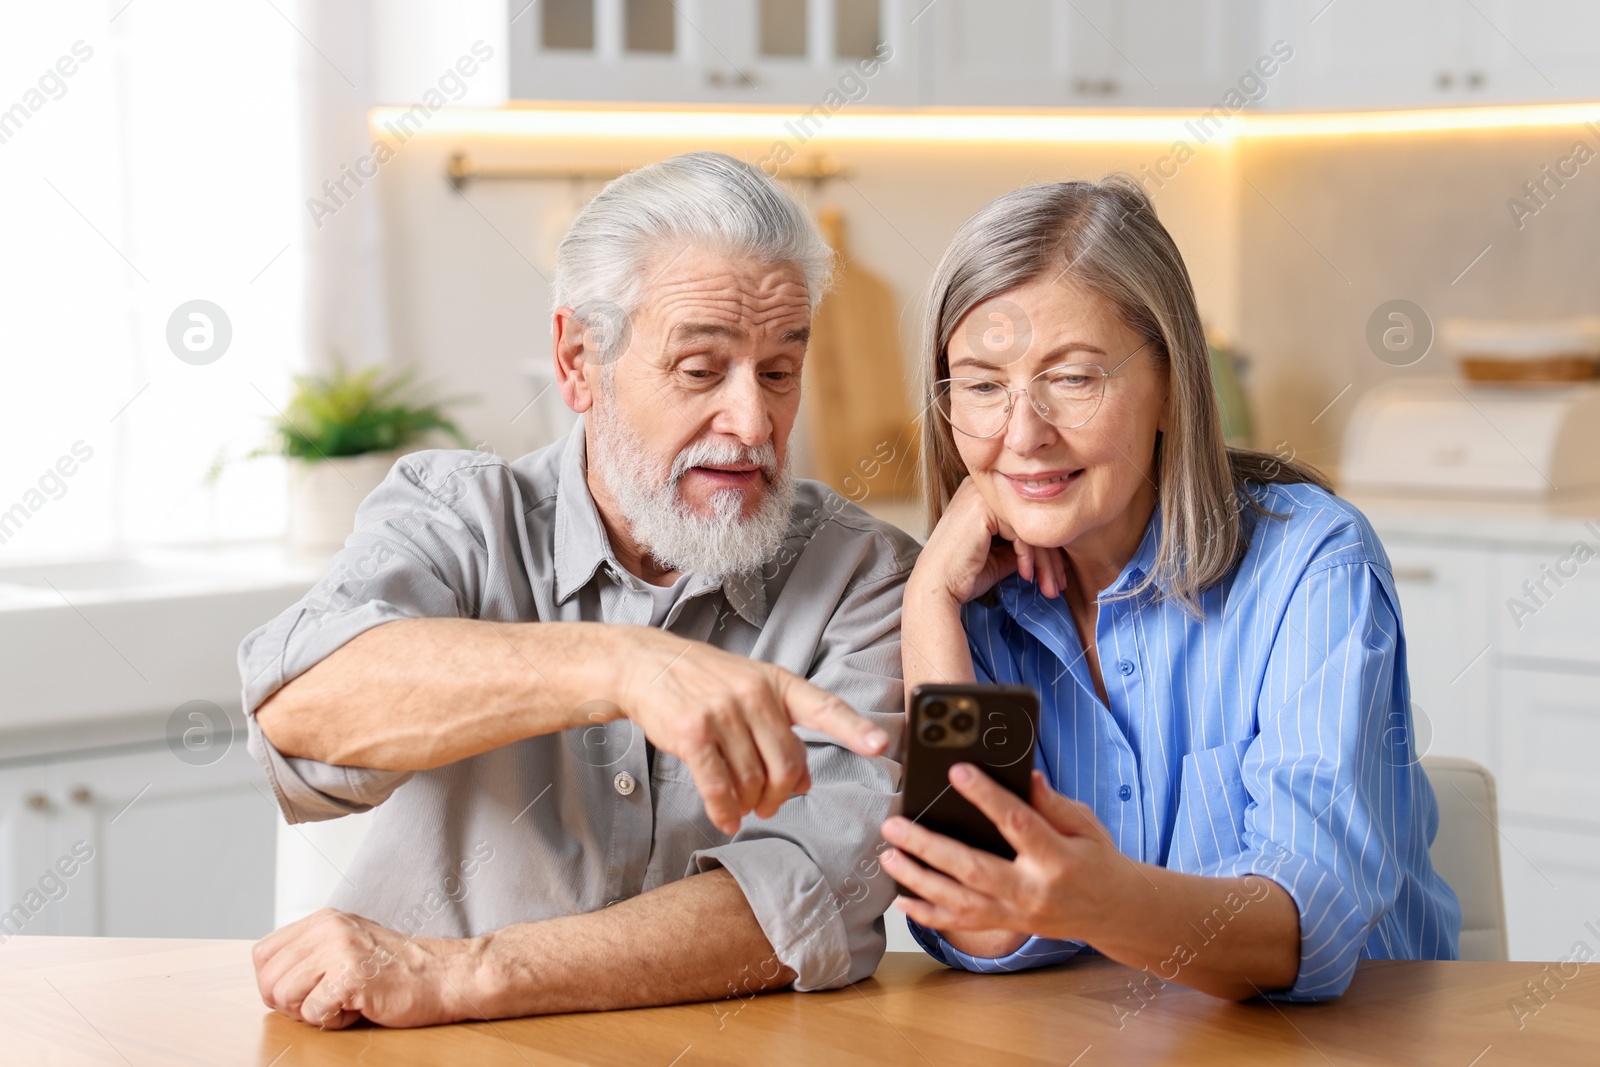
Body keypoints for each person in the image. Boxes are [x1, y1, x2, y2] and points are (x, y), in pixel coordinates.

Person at [242, 151, 919, 1028]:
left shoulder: (863, 578)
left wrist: (462, 974)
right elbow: (301, 710)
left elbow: (814, 889)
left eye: (780, 373)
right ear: (577, 361)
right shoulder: (456, 514)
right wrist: (619, 663)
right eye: (702, 370)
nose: (754, 423)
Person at [877, 177, 1461, 1002]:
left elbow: (1307, 925)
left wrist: (1102, 901)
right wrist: (928, 603)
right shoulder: (968, 600)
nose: (1022, 434)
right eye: (980, 385)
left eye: (1073, 379)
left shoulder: (1311, 566)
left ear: (1173, 385)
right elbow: (976, 918)